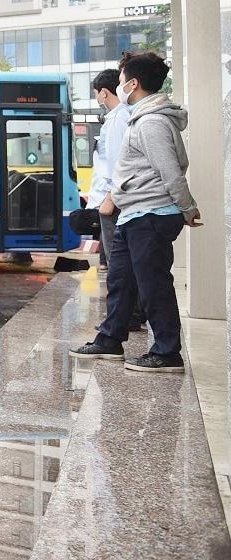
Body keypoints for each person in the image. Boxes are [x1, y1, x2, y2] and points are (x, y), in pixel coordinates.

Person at [71, 51, 202, 373]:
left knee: (153, 283)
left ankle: (167, 352)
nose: (118, 89)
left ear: (133, 83)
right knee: (121, 279)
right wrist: (116, 197)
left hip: (152, 213)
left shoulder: (152, 122)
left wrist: (187, 207)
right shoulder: (140, 118)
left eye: (120, 82)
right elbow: (131, 169)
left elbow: (170, 171)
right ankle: (110, 339)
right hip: (135, 213)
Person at [87, 69, 144, 329]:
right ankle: (127, 314)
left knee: (117, 262)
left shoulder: (120, 118)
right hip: (110, 199)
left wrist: (109, 199)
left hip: (114, 201)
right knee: (118, 261)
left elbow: (121, 163)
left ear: (103, 92)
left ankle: (126, 316)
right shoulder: (115, 117)